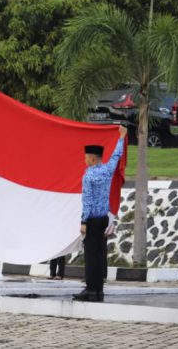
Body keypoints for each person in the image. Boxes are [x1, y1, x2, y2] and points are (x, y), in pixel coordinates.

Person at [73, 125, 126, 302]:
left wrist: (83, 222)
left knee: (90, 256)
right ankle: (99, 290)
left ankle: (90, 290)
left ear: (93, 158)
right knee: (100, 254)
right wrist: (122, 137)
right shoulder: (107, 170)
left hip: (92, 221)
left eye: (86, 157)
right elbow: (116, 156)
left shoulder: (88, 176)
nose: (84, 159)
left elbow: (87, 201)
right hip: (103, 219)